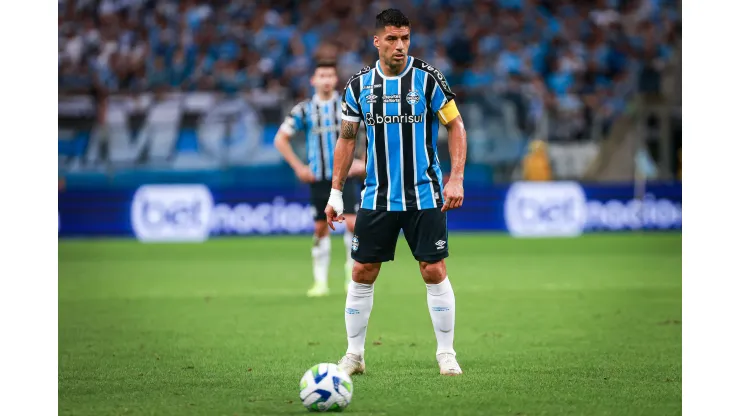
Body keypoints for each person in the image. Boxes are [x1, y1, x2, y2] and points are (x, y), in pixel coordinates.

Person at [325, 9, 468, 376]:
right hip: (377, 196)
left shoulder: (429, 79)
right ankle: (354, 356)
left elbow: (455, 126)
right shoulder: (358, 85)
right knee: (362, 271)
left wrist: (456, 178)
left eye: (405, 38)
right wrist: (335, 192)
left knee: (433, 269)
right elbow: (346, 139)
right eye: (392, 38)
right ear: (377, 41)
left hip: (425, 194)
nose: (400, 46)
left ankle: (446, 353)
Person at [274, 60, 366, 297]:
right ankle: (320, 282)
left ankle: (350, 277)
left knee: (353, 225)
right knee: (320, 227)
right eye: (321, 75)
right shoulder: (304, 110)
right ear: (313, 80)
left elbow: (372, 132)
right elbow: (280, 139)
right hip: (319, 177)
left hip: (345, 176)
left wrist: (364, 162)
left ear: (336, 80)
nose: (326, 80)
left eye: (330, 75)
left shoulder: (348, 106)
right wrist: (299, 167)